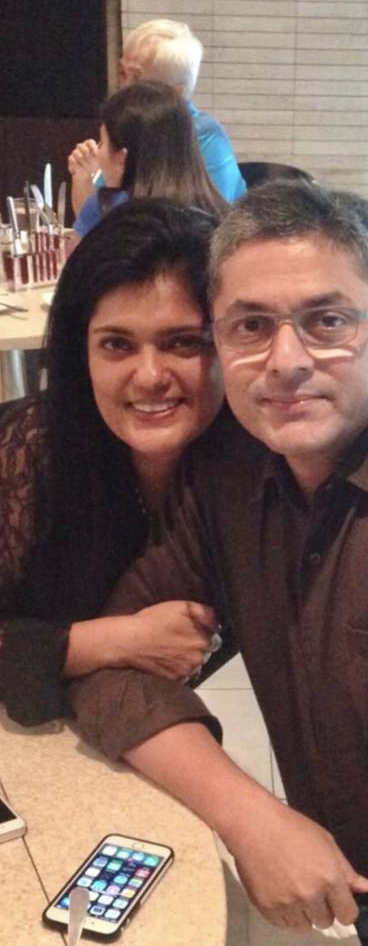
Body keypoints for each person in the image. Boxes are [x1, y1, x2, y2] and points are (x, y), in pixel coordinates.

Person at [68, 179, 368, 945]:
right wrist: (251, 816)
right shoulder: (232, 470)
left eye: (328, 321)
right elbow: (111, 673)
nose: (286, 361)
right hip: (356, 895)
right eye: (252, 325)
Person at [0, 198, 226, 728]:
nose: (149, 377)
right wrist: (109, 641)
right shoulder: (23, 454)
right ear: (81, 352)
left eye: (183, 342)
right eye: (117, 344)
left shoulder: (256, 466)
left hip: (114, 738)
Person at [69, 18, 246, 214]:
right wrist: (83, 177)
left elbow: (210, 223)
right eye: (122, 73)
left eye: (137, 78)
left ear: (174, 93)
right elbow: (91, 223)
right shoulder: (123, 129)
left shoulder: (207, 138)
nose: (123, 86)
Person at [72, 80, 227, 241]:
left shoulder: (106, 211)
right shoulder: (222, 216)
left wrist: (83, 180)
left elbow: (80, 254)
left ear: (122, 156)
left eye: (102, 143)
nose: (98, 153)